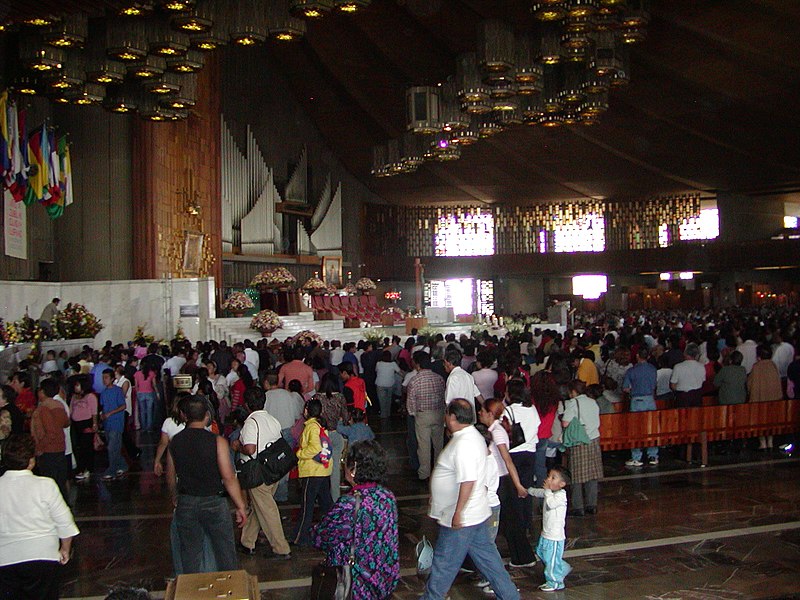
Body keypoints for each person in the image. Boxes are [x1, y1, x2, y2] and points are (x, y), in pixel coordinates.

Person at [421, 398, 520, 600]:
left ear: (453, 417)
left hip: (462, 518)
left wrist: (458, 512)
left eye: (448, 414)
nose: (446, 417)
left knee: (443, 565)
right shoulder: (471, 435)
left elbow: (468, 480)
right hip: (475, 514)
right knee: (490, 563)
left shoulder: (464, 443)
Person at [166, 395, 247, 573]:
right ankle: (229, 589)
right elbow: (228, 477)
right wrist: (240, 505)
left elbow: (170, 475)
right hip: (214, 501)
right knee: (224, 551)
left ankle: (192, 590)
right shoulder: (217, 441)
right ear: (207, 416)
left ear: (183, 415)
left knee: (190, 552)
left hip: (186, 501)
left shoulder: (175, 442)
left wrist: (175, 496)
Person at [312, 440, 400, 599]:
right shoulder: (387, 497)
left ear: (353, 469)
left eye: (345, 463)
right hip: (384, 579)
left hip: (357, 582)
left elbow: (322, 538)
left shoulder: (349, 504)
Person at [0, 434, 79, 600]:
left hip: (5, 559)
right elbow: (65, 523)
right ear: (31, 460)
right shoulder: (45, 485)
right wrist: (65, 549)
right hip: (42, 556)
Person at [232, 387, 291, 559]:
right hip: (272, 471)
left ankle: (281, 548)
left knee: (268, 511)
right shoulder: (272, 420)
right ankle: (247, 542)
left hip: (257, 474)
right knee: (261, 508)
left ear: (246, 405)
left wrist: (237, 446)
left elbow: (250, 448)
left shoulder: (251, 423)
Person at [478, 399, 533, 570]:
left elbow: (507, 460)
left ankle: (523, 557)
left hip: (502, 481)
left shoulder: (497, 432)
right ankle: (521, 557)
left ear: (490, 414)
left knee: (511, 523)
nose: (479, 412)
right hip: (501, 480)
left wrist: (518, 485)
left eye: (482, 410)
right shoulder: (493, 430)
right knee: (510, 523)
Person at [501, 381, 539, 567]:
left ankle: (518, 525)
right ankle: (526, 522)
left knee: (514, 493)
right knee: (526, 490)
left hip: (514, 455)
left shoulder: (509, 411)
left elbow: (504, 432)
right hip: (530, 454)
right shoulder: (532, 409)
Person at [292, 398, 333, 546]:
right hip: (323, 469)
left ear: (307, 411)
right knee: (326, 504)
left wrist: (299, 454)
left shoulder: (311, 427)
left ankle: (300, 537)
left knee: (307, 505)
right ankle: (335, 530)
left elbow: (315, 447)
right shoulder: (321, 425)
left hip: (312, 470)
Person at [527, 465, 572, 592]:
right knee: (541, 552)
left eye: (553, 478)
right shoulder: (550, 493)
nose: (548, 480)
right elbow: (540, 493)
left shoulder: (560, 496)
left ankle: (555, 582)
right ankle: (562, 567)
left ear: (562, 484)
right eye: (549, 477)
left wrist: (547, 491)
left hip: (555, 536)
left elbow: (551, 503)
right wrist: (528, 490)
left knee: (551, 560)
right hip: (546, 533)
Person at [561, 380, 603, 516]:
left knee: (577, 475)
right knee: (592, 474)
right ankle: (592, 505)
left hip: (580, 440)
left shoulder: (573, 403)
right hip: (594, 439)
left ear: (573, 391)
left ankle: (578, 507)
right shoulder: (593, 402)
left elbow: (566, 423)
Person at [406, 351, 446, 481]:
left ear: (417, 365)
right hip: (439, 413)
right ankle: (439, 471)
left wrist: (414, 414)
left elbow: (410, 404)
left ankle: (424, 473)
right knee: (438, 444)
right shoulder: (439, 378)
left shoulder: (415, 380)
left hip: (422, 415)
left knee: (423, 446)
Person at [30, 379, 70, 499]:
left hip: (48, 449)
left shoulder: (44, 408)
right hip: (60, 447)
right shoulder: (59, 405)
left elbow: (49, 432)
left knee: (49, 481)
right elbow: (66, 423)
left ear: (42, 392)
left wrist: (40, 447)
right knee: (60, 480)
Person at [313, 373, 349, 502]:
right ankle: (335, 498)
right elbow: (345, 417)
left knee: (320, 467)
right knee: (335, 469)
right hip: (336, 433)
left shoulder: (316, 398)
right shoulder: (340, 397)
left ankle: (320, 496)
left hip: (321, 436)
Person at [623, 348, 659, 467]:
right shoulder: (653, 370)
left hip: (636, 400)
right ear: (648, 356)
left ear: (637, 356)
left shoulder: (631, 371)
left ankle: (636, 457)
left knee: (635, 428)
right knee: (651, 427)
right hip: (650, 399)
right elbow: (654, 385)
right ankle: (653, 454)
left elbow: (625, 388)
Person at [748, 344, 784, 451]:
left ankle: (763, 443)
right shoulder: (773, 365)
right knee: (771, 420)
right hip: (773, 399)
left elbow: (750, 383)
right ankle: (770, 441)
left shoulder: (756, 366)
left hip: (759, 400)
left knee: (760, 420)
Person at [99, 369, 128, 481]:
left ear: (112, 379)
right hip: (108, 423)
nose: (104, 380)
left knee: (112, 447)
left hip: (116, 422)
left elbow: (123, 406)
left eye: (106, 377)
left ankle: (112, 470)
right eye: (103, 378)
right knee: (114, 447)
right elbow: (103, 406)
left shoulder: (117, 391)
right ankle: (122, 465)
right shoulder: (104, 393)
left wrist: (110, 413)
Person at [69, 378, 98, 481]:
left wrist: (94, 424)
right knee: (78, 446)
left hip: (86, 423)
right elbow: (71, 409)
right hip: (76, 424)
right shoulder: (74, 397)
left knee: (86, 447)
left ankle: (88, 468)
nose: (76, 387)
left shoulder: (90, 396)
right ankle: (80, 467)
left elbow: (94, 411)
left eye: (78, 385)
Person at [443, 348, 483, 420]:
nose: (444, 366)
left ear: (449, 363)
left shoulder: (452, 378)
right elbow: (478, 395)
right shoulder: (468, 376)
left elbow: (448, 401)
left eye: (444, 363)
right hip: (470, 416)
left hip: (459, 418)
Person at [670, 343, 706, 407]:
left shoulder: (678, 367)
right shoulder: (702, 366)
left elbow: (673, 385)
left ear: (685, 353)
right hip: (697, 397)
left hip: (682, 397)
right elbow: (703, 381)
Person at [375, 350, 401, 420]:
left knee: (382, 401)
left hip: (380, 384)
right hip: (390, 384)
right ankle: (388, 414)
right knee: (388, 400)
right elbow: (399, 372)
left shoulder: (378, 364)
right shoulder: (393, 364)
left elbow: (376, 370)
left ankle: (383, 415)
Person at [134, 364, 157, 432]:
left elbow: (136, 385)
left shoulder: (137, 374)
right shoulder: (152, 373)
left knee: (142, 411)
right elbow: (154, 384)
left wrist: (137, 392)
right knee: (149, 411)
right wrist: (157, 393)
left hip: (140, 393)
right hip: (150, 393)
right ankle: (149, 428)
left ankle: (143, 428)